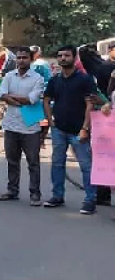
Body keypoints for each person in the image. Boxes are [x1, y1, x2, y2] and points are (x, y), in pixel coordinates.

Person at [43, 45, 98, 215]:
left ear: (74, 58)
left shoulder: (84, 79)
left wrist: (85, 128)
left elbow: (90, 104)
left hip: (78, 130)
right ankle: (57, 196)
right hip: (59, 129)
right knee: (58, 164)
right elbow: (46, 99)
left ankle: (90, 200)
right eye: (60, 56)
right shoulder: (55, 80)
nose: (62, 58)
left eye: (66, 55)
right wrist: (50, 120)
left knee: (86, 166)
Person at [0, 48, 45, 206]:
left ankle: (35, 194)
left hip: (30, 128)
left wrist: (12, 97)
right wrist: (15, 99)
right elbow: (1, 94)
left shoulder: (38, 78)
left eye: (24, 57)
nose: (21, 60)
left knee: (33, 163)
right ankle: (12, 190)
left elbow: (32, 99)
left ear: (31, 59)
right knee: (12, 161)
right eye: (19, 58)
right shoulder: (9, 76)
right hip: (11, 125)